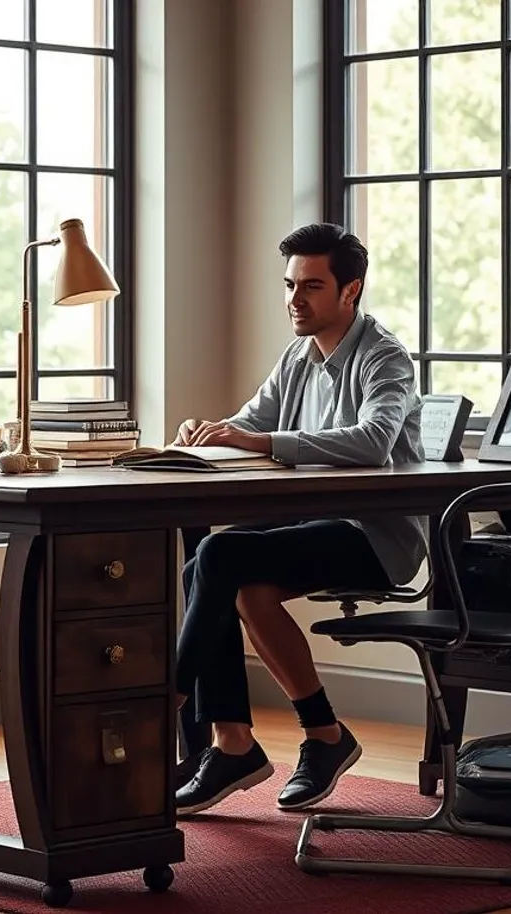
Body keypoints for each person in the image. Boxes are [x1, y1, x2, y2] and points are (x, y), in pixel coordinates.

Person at [169, 222, 424, 816]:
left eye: (311, 286)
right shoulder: (298, 356)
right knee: (212, 574)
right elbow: (247, 424)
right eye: (289, 285)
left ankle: (174, 698)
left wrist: (256, 442)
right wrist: (203, 437)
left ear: (350, 291)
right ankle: (284, 739)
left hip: (374, 537)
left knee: (218, 555)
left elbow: (374, 442)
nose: (294, 300)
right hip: (311, 525)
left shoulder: (384, 357)